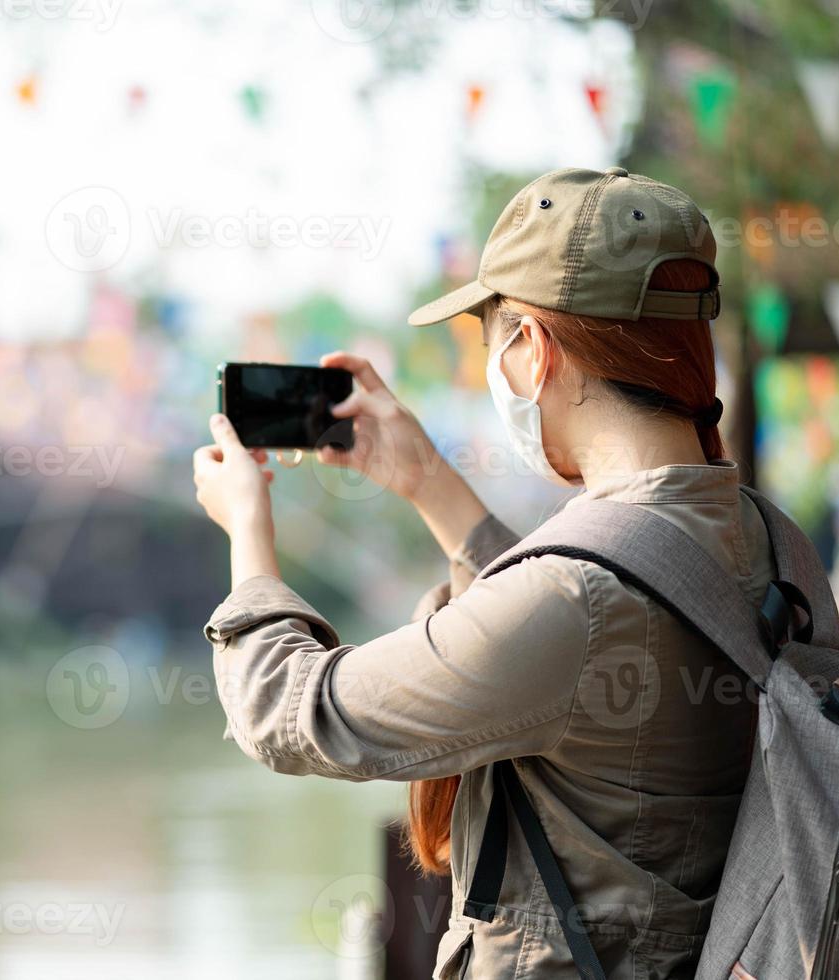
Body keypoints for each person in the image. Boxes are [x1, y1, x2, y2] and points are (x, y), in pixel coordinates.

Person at [192, 167, 762, 978]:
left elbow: (290, 709)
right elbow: (595, 611)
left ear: (532, 349)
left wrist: (248, 529)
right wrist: (427, 479)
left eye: (491, 339)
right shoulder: (775, 548)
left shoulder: (577, 603)